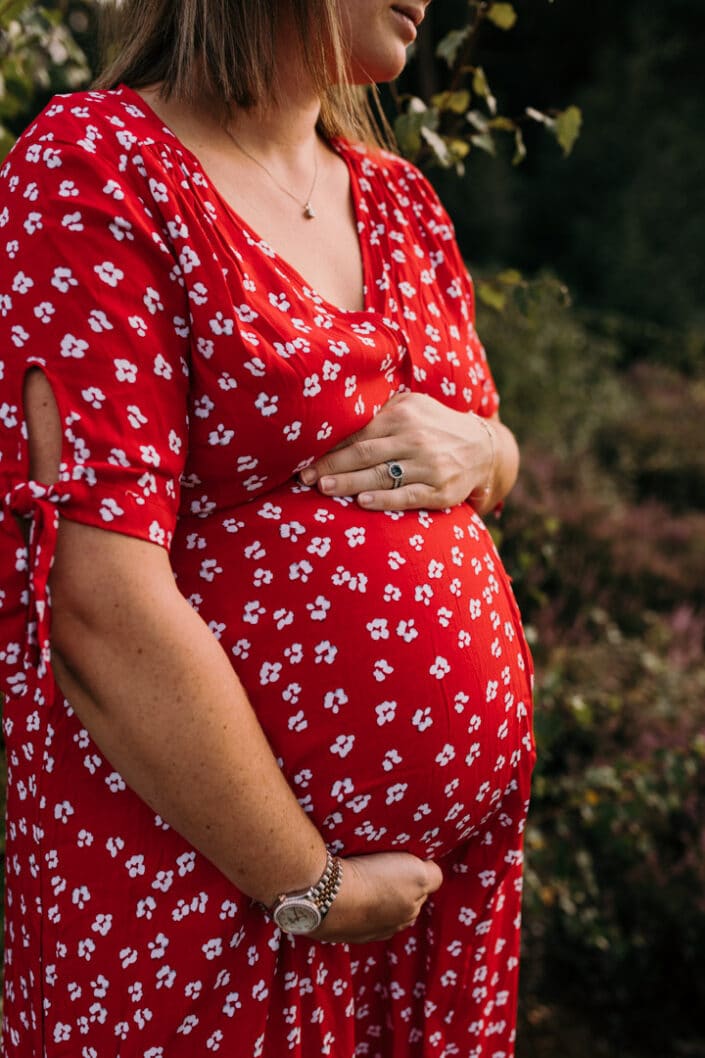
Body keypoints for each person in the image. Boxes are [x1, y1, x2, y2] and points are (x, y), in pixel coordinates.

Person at [0, 1, 535, 1054]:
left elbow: (470, 452)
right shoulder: (97, 165)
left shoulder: (401, 202)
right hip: (210, 898)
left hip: (436, 914)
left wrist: (493, 455)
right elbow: (96, 594)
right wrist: (311, 884)